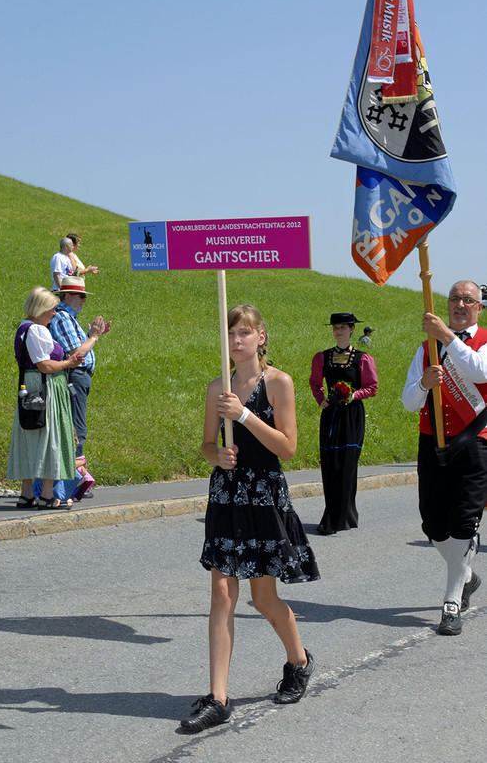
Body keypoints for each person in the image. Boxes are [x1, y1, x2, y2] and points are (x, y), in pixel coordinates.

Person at [180, 305, 319, 734]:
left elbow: (288, 448)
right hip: (227, 495)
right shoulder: (216, 388)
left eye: (244, 332)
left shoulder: (278, 383)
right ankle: (218, 698)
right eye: (230, 333)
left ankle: (299, 660)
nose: (236, 340)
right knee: (222, 594)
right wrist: (216, 455)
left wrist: (242, 415)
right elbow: (206, 444)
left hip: (264, 495)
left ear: (261, 337)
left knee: (263, 599)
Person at [402, 280, 487, 635]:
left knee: (464, 523)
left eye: (468, 300)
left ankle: (451, 602)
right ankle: (465, 575)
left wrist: (447, 337)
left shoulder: (481, 342)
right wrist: (423, 383)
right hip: (431, 442)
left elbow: (481, 372)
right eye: (455, 298)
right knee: (433, 524)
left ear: (479, 308)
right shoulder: (426, 349)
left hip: (474, 443)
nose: (460, 304)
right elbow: (408, 401)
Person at [7, 287, 85, 509]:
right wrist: (68, 363)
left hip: (30, 385)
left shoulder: (24, 328)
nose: (54, 313)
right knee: (53, 436)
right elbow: (45, 365)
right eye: (52, 308)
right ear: (41, 308)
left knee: (32, 436)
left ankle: (27, 494)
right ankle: (48, 495)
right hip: (47, 386)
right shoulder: (38, 330)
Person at [309, 313, 378, 535]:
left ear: (351, 330)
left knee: (348, 464)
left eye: (342, 327)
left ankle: (344, 516)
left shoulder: (363, 359)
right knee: (330, 464)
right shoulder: (322, 357)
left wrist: (354, 395)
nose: (338, 331)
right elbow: (315, 382)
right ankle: (333, 514)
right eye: (335, 327)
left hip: (352, 416)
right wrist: (321, 400)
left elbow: (372, 387)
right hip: (331, 415)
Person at [49, 276, 111, 458]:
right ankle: (72, 479)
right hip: (74, 375)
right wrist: (94, 337)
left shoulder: (68, 317)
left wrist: (90, 335)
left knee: (76, 428)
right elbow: (76, 352)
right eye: (81, 296)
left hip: (78, 376)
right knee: (76, 430)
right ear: (67, 296)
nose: (84, 301)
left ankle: (71, 478)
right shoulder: (62, 317)